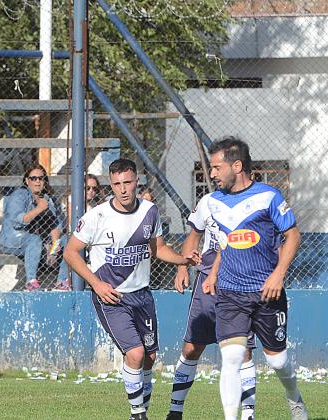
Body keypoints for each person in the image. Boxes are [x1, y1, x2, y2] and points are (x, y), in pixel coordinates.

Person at [63, 158, 200, 420]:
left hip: (142, 294)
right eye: (117, 184)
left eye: (127, 182)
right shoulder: (96, 216)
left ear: (137, 181)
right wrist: (96, 283)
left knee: (149, 357)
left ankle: (142, 411)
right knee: (135, 353)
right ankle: (137, 414)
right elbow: (70, 253)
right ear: (111, 186)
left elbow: (157, 249)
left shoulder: (150, 211)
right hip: (111, 296)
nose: (123, 189)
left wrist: (184, 260)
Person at [200, 137, 308, 420]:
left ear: (236, 166)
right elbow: (229, 242)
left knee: (278, 360)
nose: (211, 174)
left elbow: (293, 235)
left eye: (216, 167)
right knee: (232, 358)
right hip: (231, 293)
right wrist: (213, 273)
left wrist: (278, 275)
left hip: (266, 293)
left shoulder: (269, 196)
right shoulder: (214, 202)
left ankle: (294, 397)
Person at [166, 191, 256, 420]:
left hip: (241, 283)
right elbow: (193, 237)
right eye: (213, 168)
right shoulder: (207, 201)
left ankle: (248, 415)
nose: (214, 173)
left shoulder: (256, 201)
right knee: (191, 348)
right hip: (207, 281)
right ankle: (175, 411)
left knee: (242, 351)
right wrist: (182, 266)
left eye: (219, 167)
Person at [0, 164, 70, 291]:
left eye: (41, 178)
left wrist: (54, 244)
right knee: (34, 240)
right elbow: (18, 223)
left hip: (38, 241)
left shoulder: (46, 198)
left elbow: (54, 223)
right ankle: (31, 282)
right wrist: (39, 209)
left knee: (68, 241)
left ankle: (62, 282)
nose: (37, 181)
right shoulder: (19, 196)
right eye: (33, 178)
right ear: (27, 181)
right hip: (13, 240)